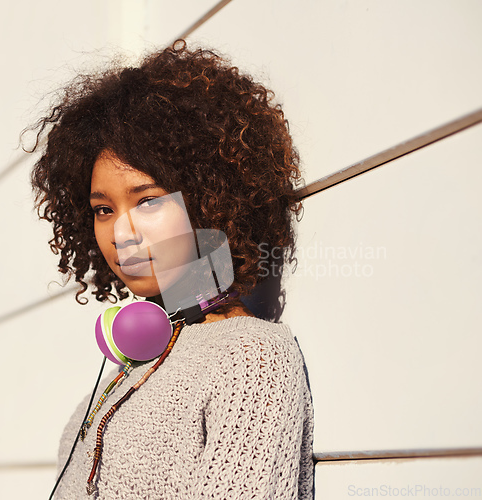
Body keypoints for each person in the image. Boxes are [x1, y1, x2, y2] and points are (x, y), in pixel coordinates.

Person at [30, 40, 314, 499]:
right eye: (103, 210)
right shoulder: (109, 389)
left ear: (209, 199)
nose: (122, 233)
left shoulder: (252, 358)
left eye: (148, 201)